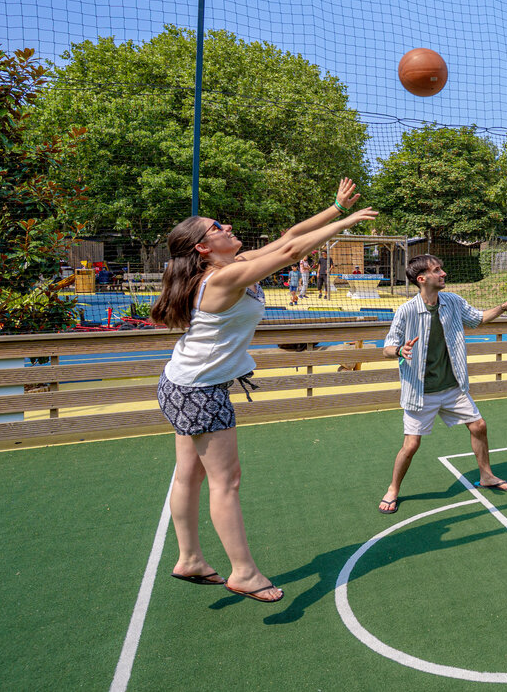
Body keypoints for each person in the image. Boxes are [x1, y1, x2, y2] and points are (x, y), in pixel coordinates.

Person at [150, 178, 377, 602]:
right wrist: (345, 225)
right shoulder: (222, 279)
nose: (227, 227)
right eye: (218, 226)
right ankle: (244, 573)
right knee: (226, 481)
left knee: (189, 476)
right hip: (199, 391)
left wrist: (334, 208)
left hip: (182, 384)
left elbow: (289, 238)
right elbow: (292, 253)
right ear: (203, 246)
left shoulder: (223, 268)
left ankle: (190, 558)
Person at [378, 254, 507, 514]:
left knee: (479, 426)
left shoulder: (452, 301)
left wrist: (504, 307)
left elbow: (478, 318)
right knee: (411, 445)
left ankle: (487, 476)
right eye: (438, 270)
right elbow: (387, 348)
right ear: (422, 279)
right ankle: (393, 489)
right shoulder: (405, 311)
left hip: (452, 387)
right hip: (420, 391)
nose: (444, 273)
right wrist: (399, 351)